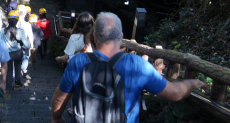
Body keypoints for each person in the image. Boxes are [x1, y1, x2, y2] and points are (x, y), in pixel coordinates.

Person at [51, 12, 207, 123]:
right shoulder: (137, 65)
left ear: (95, 36)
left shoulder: (78, 62)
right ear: (121, 37)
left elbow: (60, 97)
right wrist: (193, 83)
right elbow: (175, 93)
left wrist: (56, 117)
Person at [0, 10, 28, 90]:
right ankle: (17, 81)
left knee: (9, 71)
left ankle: (8, 87)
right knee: (18, 65)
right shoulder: (21, 32)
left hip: (7, 54)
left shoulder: (3, 31)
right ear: (17, 20)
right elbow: (27, 45)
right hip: (18, 53)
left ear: (8, 20)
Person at [17, 5, 34, 76]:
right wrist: (31, 44)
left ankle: (17, 70)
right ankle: (23, 69)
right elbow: (30, 35)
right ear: (25, 13)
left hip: (16, 44)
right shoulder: (27, 24)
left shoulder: (15, 22)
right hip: (25, 43)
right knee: (26, 56)